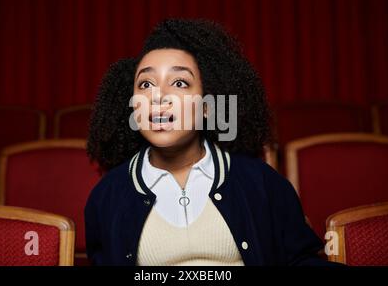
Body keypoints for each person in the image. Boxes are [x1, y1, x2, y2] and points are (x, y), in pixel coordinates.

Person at [85, 18, 334, 265]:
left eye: (180, 83)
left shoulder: (261, 182)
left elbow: (301, 260)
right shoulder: (107, 196)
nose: (158, 96)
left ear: (207, 106)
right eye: (146, 84)